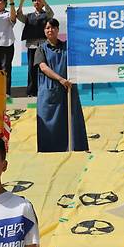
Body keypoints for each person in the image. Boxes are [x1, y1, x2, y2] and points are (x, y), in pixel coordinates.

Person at [34, 18, 89, 153]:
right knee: (49, 122)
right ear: (44, 31)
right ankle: (50, 150)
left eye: (53, 27)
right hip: (50, 90)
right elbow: (43, 67)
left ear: (58, 30)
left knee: (72, 119)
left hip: (68, 89)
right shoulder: (41, 49)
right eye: (47, 28)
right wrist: (60, 79)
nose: (50, 30)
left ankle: (75, 148)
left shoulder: (67, 47)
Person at [17, 0, 54, 97]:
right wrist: (22, 1)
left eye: (38, 0)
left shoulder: (46, 15)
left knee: (44, 68)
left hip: (43, 46)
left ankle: (45, 89)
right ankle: (31, 91)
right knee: (31, 69)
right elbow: (19, 15)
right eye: (34, 0)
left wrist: (45, 1)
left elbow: (51, 14)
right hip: (32, 46)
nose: (36, 2)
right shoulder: (29, 16)